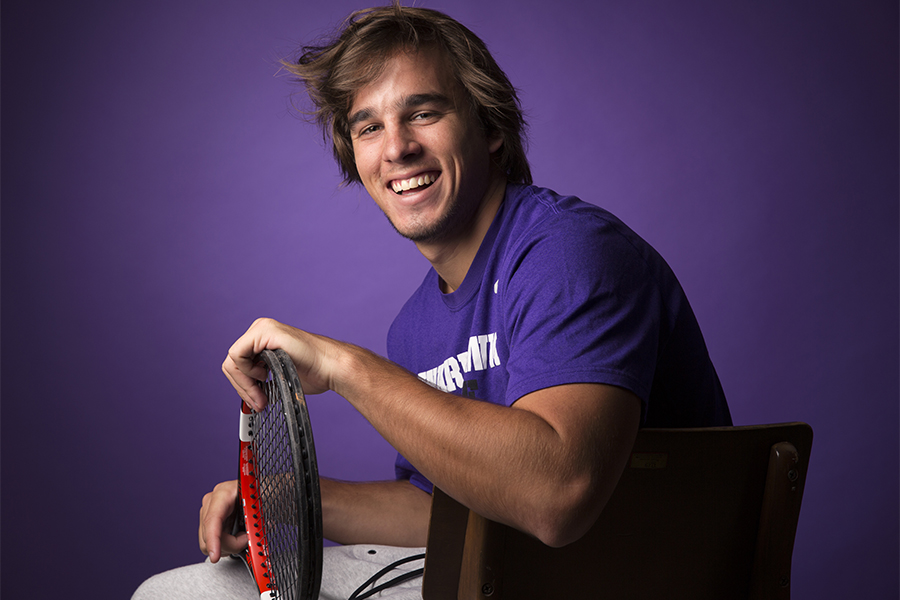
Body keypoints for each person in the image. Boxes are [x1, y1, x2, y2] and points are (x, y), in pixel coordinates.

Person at [133, 3, 731, 599]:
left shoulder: (570, 252)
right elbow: (444, 511)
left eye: (422, 113)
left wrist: (347, 368)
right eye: (369, 127)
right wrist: (286, 497)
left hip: (617, 578)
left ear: (491, 128)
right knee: (192, 591)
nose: (396, 149)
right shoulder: (415, 327)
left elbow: (557, 495)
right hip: (496, 575)